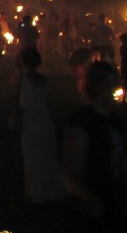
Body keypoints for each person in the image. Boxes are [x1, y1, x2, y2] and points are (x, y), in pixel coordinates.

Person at [63, 60, 126, 224]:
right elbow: (71, 172)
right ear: (98, 86)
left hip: (114, 198)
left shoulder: (115, 122)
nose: (117, 89)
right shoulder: (83, 122)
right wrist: (91, 200)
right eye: (110, 84)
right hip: (93, 205)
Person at [15, 47, 67, 203]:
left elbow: (18, 100)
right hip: (45, 122)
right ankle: (50, 188)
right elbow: (50, 103)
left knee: (32, 158)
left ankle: (36, 192)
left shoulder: (22, 79)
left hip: (30, 122)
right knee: (47, 156)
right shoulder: (45, 81)